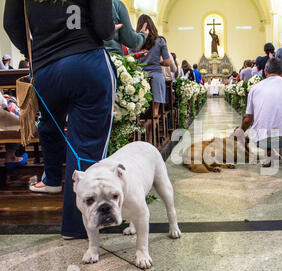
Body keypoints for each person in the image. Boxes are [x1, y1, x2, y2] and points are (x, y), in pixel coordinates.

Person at [4, 0, 116, 239]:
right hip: (87, 62)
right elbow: (105, 28)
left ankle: (52, 179)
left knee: (50, 124)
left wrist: (37, 52)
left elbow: (11, 24)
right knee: (87, 144)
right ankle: (80, 226)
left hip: (46, 70)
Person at [238, 58, 282, 162]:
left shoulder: (255, 88)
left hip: (261, 140)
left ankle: (268, 149)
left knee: (257, 115)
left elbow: (247, 119)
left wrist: (240, 131)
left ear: (265, 71)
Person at [137, 14, 171, 119]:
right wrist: (157, 61)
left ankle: (142, 134)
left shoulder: (136, 41)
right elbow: (167, 62)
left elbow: (130, 57)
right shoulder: (160, 41)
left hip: (140, 78)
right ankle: (152, 134)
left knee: (139, 112)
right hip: (156, 77)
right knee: (154, 114)